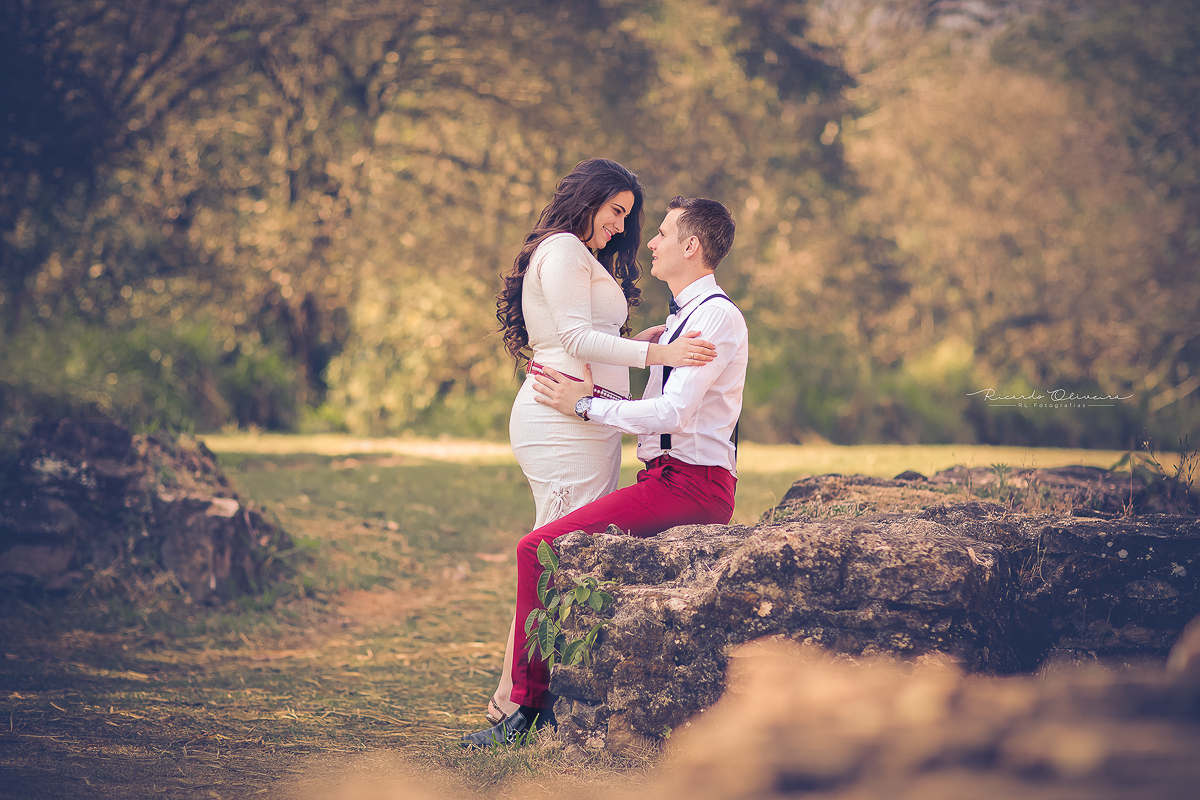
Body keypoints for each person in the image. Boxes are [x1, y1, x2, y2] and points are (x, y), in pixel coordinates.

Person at [462, 196, 746, 748]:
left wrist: (584, 405)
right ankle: (532, 701)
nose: (651, 242)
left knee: (535, 549)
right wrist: (642, 349)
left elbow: (672, 413)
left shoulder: (714, 317)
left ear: (692, 247)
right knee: (551, 548)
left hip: (691, 484)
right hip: (666, 478)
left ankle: (525, 710)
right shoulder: (685, 319)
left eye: (663, 234)